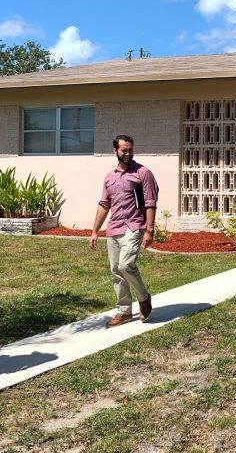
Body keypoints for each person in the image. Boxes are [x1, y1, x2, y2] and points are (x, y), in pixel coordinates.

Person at [89, 135, 158, 327]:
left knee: (126, 264)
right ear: (115, 151)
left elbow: (151, 203)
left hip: (134, 226)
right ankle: (124, 311)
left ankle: (144, 298)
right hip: (114, 227)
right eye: (124, 150)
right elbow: (104, 204)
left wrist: (149, 230)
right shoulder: (109, 177)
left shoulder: (143, 173)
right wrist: (95, 231)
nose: (128, 153)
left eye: (130, 150)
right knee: (115, 271)